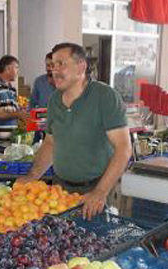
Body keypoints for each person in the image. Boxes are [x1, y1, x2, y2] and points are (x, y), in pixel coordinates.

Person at [19, 42, 132, 220]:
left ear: (81, 67)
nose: (54, 70)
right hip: (60, 191)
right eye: (52, 65)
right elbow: (50, 142)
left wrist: (100, 192)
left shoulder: (105, 97)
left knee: (93, 242)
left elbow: (124, 149)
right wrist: (32, 175)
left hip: (95, 190)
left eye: (61, 64)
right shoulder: (54, 100)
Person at [0, 55, 28, 141]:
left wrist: (22, 113)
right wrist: (17, 114)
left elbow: (13, 111)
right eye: (16, 68)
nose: (18, 71)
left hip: (12, 140)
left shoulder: (12, 89)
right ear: (8, 68)